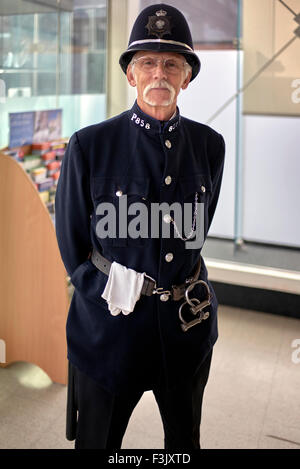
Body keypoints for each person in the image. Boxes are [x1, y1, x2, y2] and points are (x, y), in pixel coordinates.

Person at [55, 3, 225, 450]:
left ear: (187, 76)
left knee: (183, 443)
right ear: (130, 75)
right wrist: (104, 287)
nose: (159, 74)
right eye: (146, 62)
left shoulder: (210, 146)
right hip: (110, 332)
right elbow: (71, 243)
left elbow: (197, 230)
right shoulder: (90, 145)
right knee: (98, 443)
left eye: (172, 63)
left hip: (185, 329)